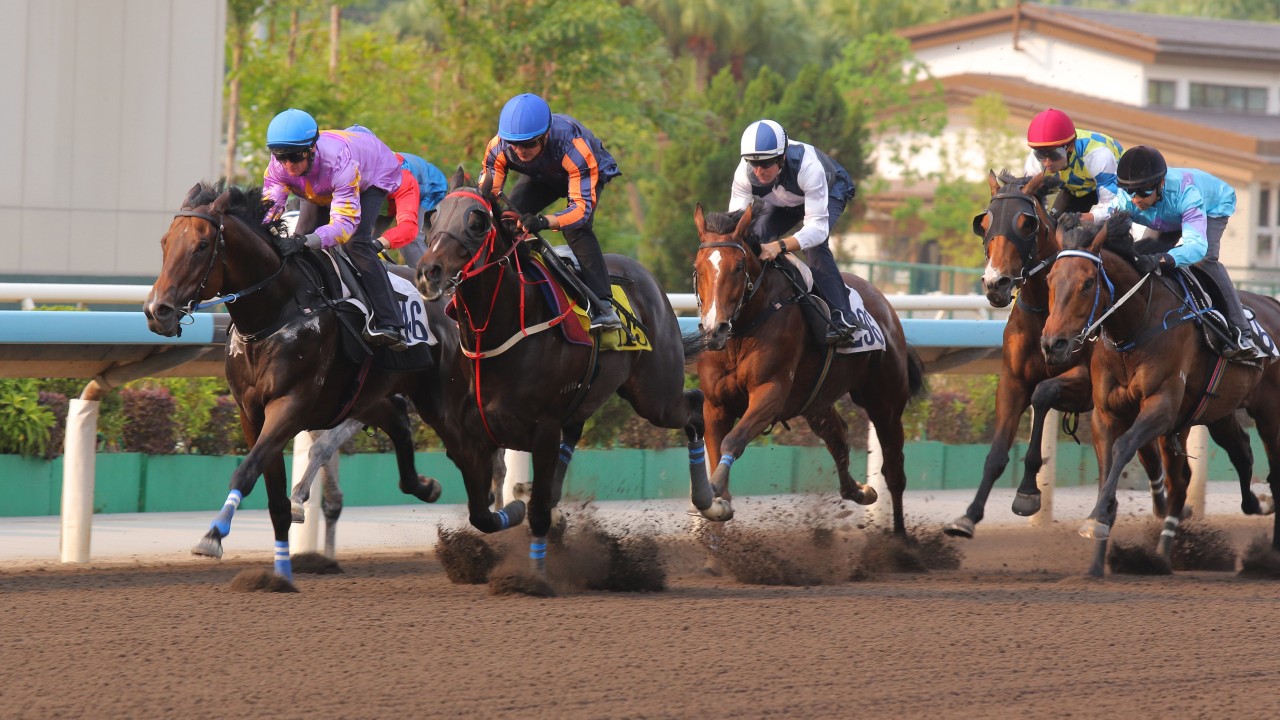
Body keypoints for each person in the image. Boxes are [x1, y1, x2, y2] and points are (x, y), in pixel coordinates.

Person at [1089, 145, 1263, 360]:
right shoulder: (1131, 196)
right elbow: (1106, 212)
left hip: (1211, 207)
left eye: (1143, 191)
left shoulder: (1187, 194)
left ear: (1161, 184)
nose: (1136, 199)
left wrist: (1164, 258)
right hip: (1166, 214)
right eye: (1130, 191)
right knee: (1139, 259)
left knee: (1205, 260)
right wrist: (1083, 219)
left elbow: (1196, 247)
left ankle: (1241, 330)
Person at [261, 109, 406, 348]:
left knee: (355, 243)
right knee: (300, 239)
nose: (288, 165)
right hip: (320, 182)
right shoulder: (280, 167)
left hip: (372, 172)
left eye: (294, 157)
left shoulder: (340, 162)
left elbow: (343, 226)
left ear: (310, 149)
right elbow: (269, 210)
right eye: (280, 156)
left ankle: (391, 322)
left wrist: (306, 241)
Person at [480, 93, 623, 331]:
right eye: (514, 144)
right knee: (505, 220)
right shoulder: (499, 146)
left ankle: (604, 306)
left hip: (582, 174)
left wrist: (543, 221)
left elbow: (580, 210)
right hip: (542, 175)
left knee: (576, 229)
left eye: (528, 144)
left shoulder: (575, 148)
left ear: (545, 135)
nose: (520, 151)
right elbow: (488, 193)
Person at [730, 119, 858, 345]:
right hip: (786, 200)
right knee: (753, 240)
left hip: (830, 190)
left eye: (767, 163)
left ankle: (842, 318)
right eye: (753, 163)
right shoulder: (744, 173)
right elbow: (736, 226)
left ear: (782, 157)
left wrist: (779, 246)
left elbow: (816, 230)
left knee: (814, 246)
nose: (758, 171)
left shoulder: (808, 167)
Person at [345, 125, 447, 268]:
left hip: (430, 188)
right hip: (388, 198)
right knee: (360, 241)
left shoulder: (400, 175)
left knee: (410, 241)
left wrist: (380, 243)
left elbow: (408, 229)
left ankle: (429, 283)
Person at [1024, 108, 1124, 218]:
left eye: (1054, 154)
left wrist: (1087, 219)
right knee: (1053, 223)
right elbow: (1026, 197)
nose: (1047, 163)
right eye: (1040, 154)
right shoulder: (1035, 161)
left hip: (1117, 188)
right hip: (1075, 189)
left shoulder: (1098, 155)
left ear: (1070, 147)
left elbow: (1111, 206)